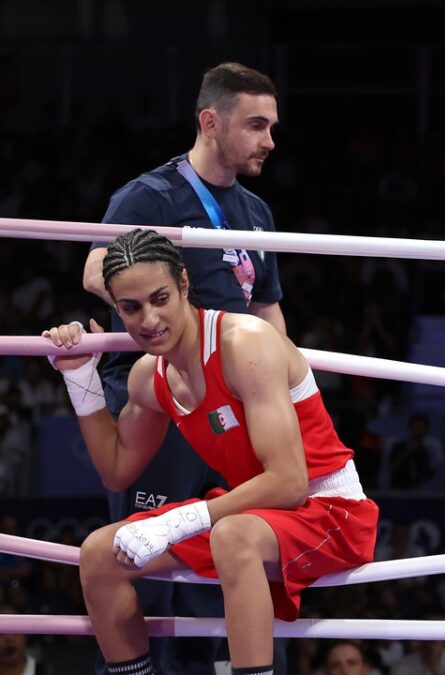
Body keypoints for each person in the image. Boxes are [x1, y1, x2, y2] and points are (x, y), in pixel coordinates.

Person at [44, 229, 378, 675]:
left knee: (232, 535)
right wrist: (79, 378)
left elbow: (289, 482)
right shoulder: (149, 378)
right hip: (249, 516)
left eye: (159, 298)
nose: (148, 320)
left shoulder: (245, 343)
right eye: (131, 308)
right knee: (100, 554)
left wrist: (176, 521)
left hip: (330, 511)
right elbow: (117, 471)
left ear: (184, 284)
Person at [81, 62, 287, 673]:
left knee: (223, 557)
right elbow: (97, 271)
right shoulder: (150, 195)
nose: (269, 141)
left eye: (271, 127)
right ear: (210, 121)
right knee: (146, 558)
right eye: (255, 125)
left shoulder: (256, 212)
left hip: (235, 400)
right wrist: (170, 313)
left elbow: (268, 310)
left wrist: (295, 393)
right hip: (167, 398)